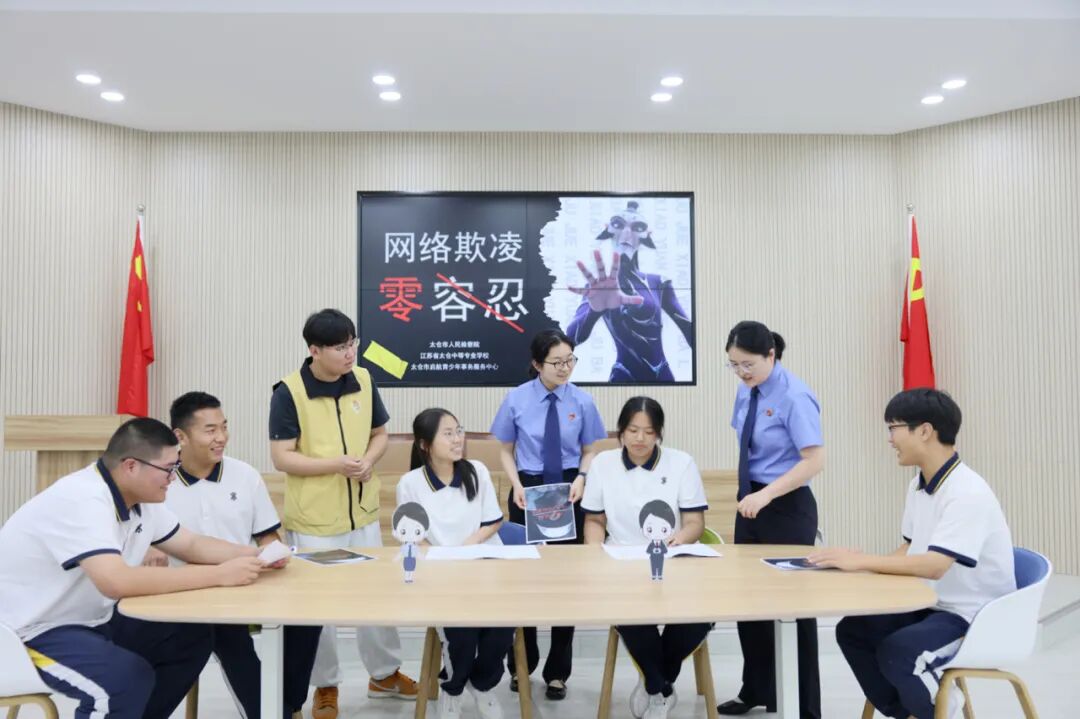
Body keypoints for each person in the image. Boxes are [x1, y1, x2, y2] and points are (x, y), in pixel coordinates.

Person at [0, 417, 276, 719]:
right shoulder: (82, 499)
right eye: (168, 469)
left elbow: (191, 544)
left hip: (91, 621)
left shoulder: (143, 500)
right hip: (28, 631)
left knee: (190, 636)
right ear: (131, 466)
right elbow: (115, 582)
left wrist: (257, 554)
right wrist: (219, 575)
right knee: (124, 680)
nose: (173, 477)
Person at [810, 389, 1015, 719]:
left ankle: (942, 711)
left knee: (901, 651)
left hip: (973, 617)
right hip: (932, 605)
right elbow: (910, 547)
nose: (890, 439)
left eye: (894, 428)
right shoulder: (918, 485)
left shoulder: (967, 492)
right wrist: (863, 572)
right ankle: (908, 713)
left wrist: (861, 561)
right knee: (853, 631)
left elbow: (935, 565)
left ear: (924, 431)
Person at [269, 308, 418, 718]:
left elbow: (380, 434)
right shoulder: (289, 392)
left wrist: (368, 459)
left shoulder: (364, 379)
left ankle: (384, 674)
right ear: (314, 350)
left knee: (376, 597)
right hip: (315, 519)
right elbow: (282, 457)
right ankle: (325, 685)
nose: (350, 353)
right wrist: (335, 464)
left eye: (352, 343)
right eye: (339, 347)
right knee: (319, 609)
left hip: (362, 513)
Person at [160, 391, 322, 719]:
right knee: (229, 636)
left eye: (224, 427)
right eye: (210, 430)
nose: (221, 437)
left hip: (244, 584)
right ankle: (273, 711)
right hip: (186, 590)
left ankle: (287, 705)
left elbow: (267, 535)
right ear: (181, 436)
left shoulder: (244, 475)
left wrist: (274, 552)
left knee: (307, 618)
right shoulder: (160, 480)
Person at [489, 328, 607, 700]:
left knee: (566, 583)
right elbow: (505, 449)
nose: (565, 368)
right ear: (537, 364)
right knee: (524, 581)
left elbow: (590, 449)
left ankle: (558, 672)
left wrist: (583, 478)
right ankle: (521, 665)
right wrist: (516, 485)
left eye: (570, 360)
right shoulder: (517, 399)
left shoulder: (582, 400)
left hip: (570, 490)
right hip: (528, 490)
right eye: (557, 362)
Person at [718, 321, 825, 719]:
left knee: (794, 608)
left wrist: (767, 494)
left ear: (771, 355)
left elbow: (814, 460)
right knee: (750, 603)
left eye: (748, 364)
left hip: (786, 506)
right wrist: (753, 495)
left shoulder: (794, 395)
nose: (741, 372)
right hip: (751, 502)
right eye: (734, 365)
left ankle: (805, 707)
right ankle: (758, 690)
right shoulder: (746, 390)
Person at [583, 396, 711, 719]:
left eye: (649, 432)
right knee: (630, 611)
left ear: (659, 433)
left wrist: (678, 539)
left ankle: (655, 682)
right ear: (620, 431)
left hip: (673, 559)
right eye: (632, 430)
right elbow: (594, 520)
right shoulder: (602, 464)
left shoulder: (681, 463)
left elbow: (695, 523)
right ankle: (660, 689)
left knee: (703, 613)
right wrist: (595, 554)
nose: (640, 438)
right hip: (622, 563)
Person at [397, 408, 511, 719]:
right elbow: (413, 536)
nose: (457, 439)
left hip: (482, 565)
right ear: (425, 445)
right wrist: (442, 559)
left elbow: (493, 521)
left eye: (458, 431)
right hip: (441, 575)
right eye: (447, 434)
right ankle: (453, 688)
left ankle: (482, 685)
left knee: (502, 626)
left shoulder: (477, 471)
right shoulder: (410, 483)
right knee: (461, 633)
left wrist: (467, 547)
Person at [566, 200, 693, 382]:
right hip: (622, 376)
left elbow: (691, 333)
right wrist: (594, 310)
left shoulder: (660, 283)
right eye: (618, 224)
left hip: (663, 375)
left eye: (637, 227)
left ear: (646, 234)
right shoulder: (599, 287)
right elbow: (570, 340)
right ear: (608, 228)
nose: (626, 234)